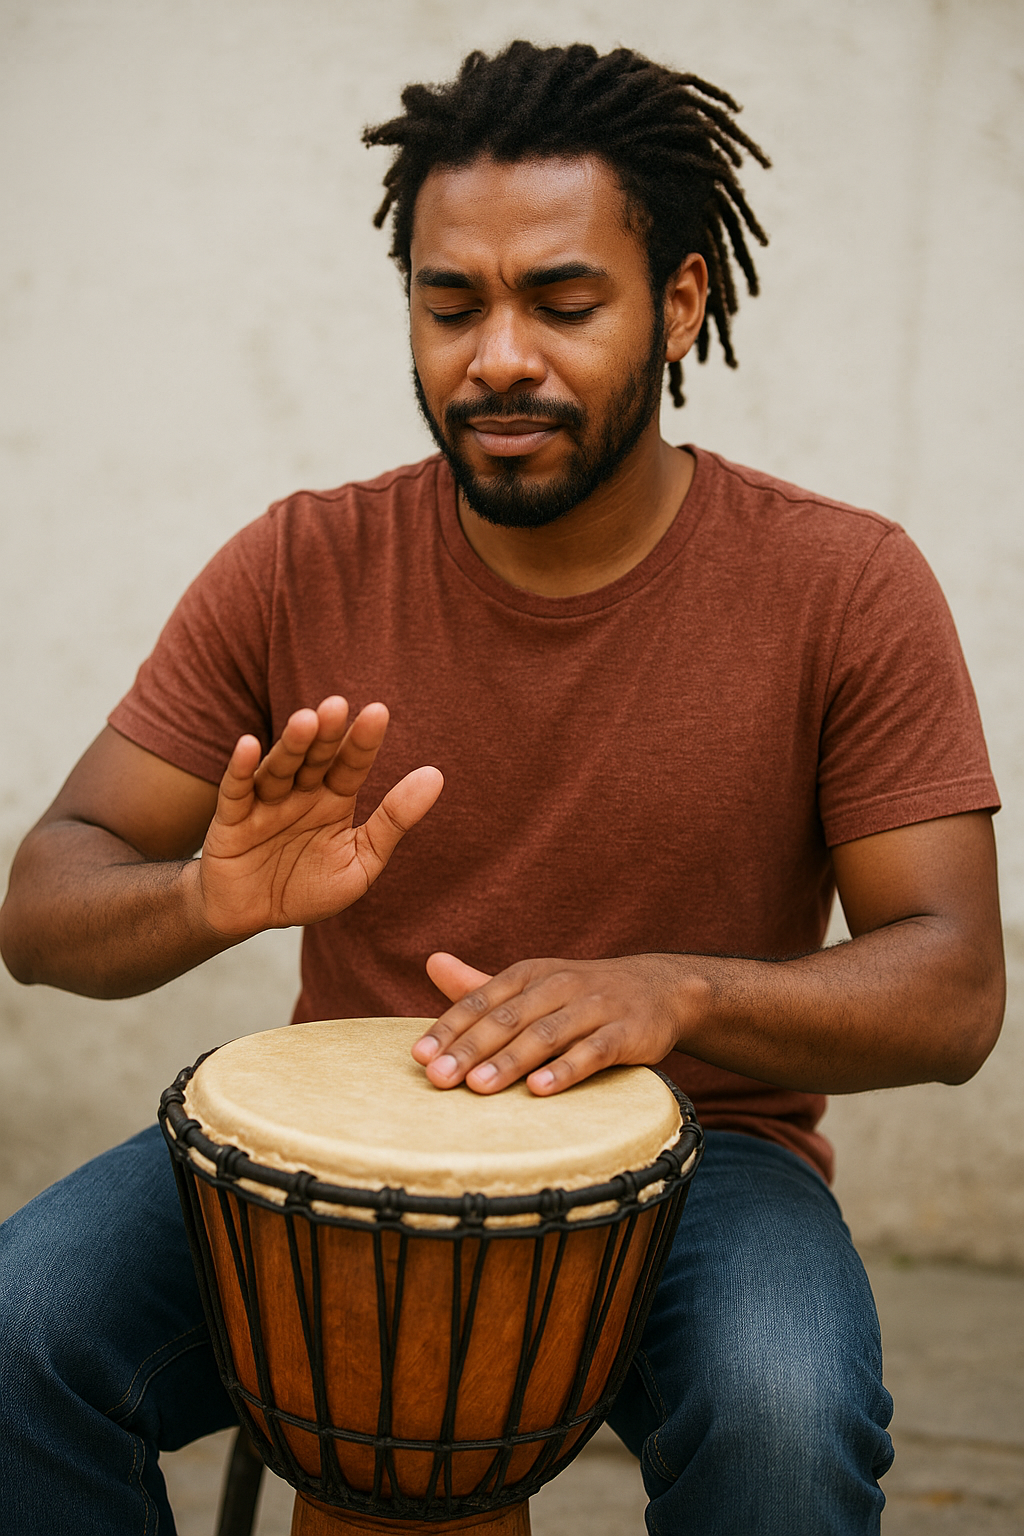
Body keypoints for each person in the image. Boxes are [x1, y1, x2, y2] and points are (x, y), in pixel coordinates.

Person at [0, 39, 1004, 1536]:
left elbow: (954, 987)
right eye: (450, 302)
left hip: (701, 1155)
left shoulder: (842, 584)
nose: (499, 358)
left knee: (785, 1421)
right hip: (343, 1152)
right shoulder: (299, 564)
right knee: (20, 1333)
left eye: (563, 300)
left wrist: (675, 992)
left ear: (679, 304)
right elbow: (44, 904)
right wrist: (209, 898)